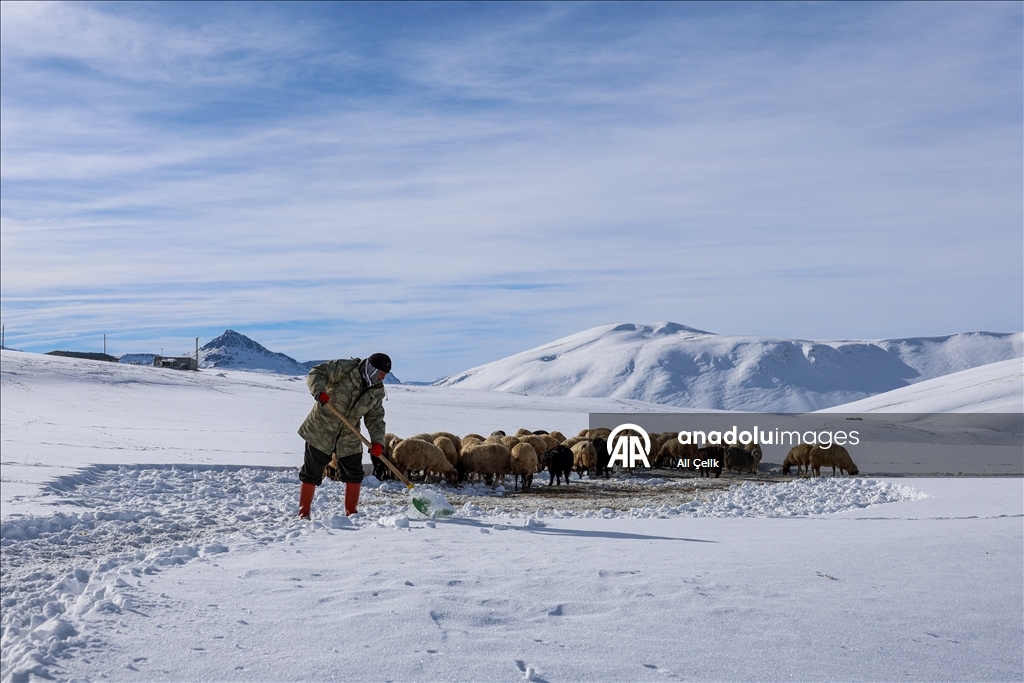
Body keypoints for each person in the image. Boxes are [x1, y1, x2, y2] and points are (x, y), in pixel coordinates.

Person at [296, 353, 391, 519]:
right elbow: (317, 373)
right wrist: (319, 391)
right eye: (381, 373)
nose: (382, 378)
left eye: (384, 375)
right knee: (311, 472)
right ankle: (304, 512)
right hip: (322, 429)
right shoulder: (346, 369)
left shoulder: (376, 391)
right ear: (372, 369)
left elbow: (375, 418)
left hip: (349, 434)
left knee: (354, 473)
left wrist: (378, 442)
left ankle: (351, 513)